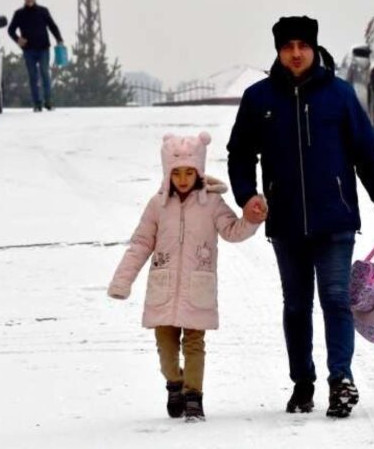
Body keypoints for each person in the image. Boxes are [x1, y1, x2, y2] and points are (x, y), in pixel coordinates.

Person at [227, 16, 374, 419]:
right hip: (286, 221)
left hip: (336, 219)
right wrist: (248, 195)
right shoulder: (260, 99)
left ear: (314, 48)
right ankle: (302, 382)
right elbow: (240, 154)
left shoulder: (340, 95)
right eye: (288, 46)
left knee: (335, 298)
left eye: (303, 45)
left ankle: (340, 380)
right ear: (277, 50)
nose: (296, 53)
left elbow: (367, 156)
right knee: (296, 305)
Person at [108, 132, 264, 422]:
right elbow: (141, 243)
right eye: (176, 172)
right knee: (166, 348)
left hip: (197, 289)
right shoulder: (157, 205)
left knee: (194, 345)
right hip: (163, 290)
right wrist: (122, 281)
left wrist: (251, 221)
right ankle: (174, 383)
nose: (182, 178)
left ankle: (194, 396)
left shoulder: (212, 204)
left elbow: (232, 231)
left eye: (189, 172)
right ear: (167, 173)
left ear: (199, 171)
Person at [8, 0, 63, 112]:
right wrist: (17, 39)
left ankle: (48, 102)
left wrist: (59, 39)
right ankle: (37, 104)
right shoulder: (19, 13)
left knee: (45, 74)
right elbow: (10, 30)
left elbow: (52, 26)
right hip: (28, 50)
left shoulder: (43, 11)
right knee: (33, 77)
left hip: (43, 48)